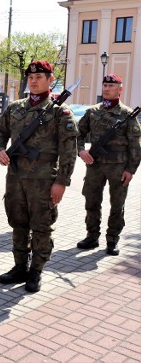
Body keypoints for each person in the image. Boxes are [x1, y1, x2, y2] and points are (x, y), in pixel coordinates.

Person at [0, 60, 78, 293]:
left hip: (43, 182)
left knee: (41, 227)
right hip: (16, 179)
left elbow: (68, 151)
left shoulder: (60, 113)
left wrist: (61, 182)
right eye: (30, 77)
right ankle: (20, 267)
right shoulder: (15, 108)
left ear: (50, 80)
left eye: (39, 77)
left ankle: (36, 270)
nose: (33, 80)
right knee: (18, 224)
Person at [76, 73, 140, 256]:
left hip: (118, 167)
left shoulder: (127, 114)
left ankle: (112, 239)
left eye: (111, 86)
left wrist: (131, 170)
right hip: (95, 165)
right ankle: (92, 236)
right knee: (91, 201)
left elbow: (136, 145)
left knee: (117, 204)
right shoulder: (93, 112)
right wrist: (81, 150)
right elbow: (78, 134)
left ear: (120, 89)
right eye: (104, 85)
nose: (106, 88)